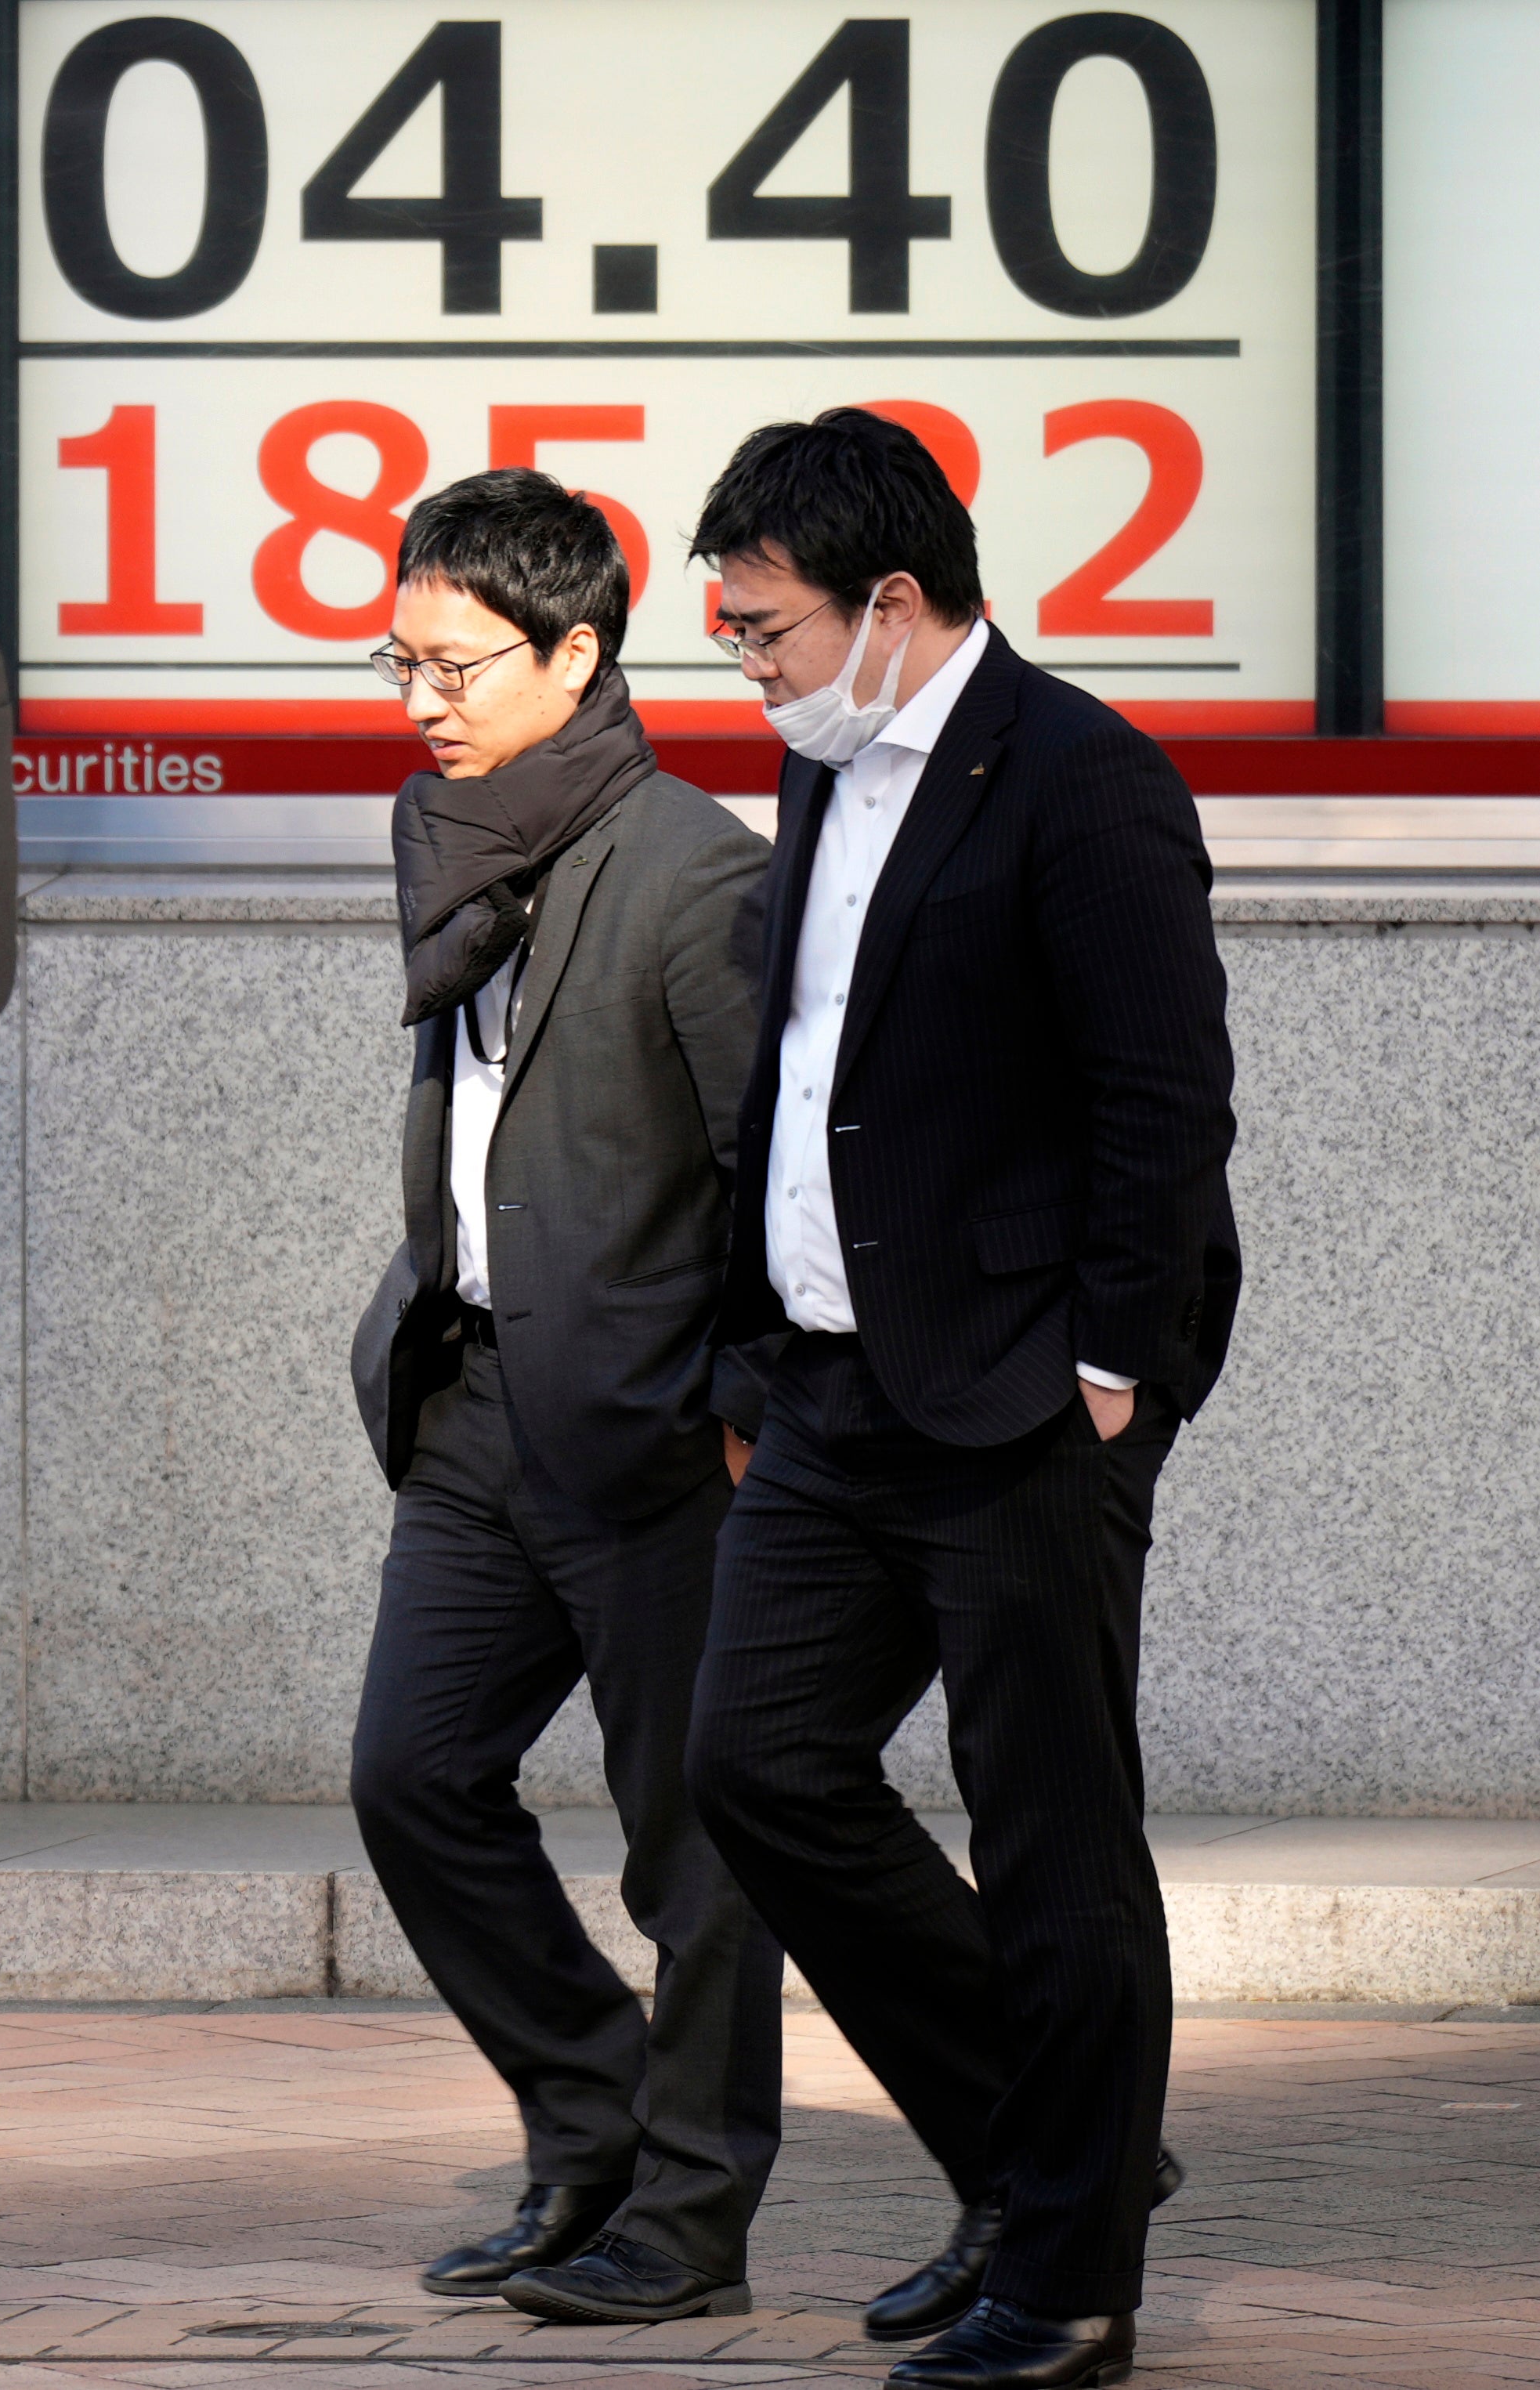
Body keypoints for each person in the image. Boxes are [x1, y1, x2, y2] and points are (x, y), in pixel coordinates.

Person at [679, 409, 1241, 2390]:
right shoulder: (828, 762)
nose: (747, 664)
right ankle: (1048, 2156)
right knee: (756, 1762)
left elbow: (1164, 1103)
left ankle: (1069, 2275)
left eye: (765, 628)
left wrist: (1109, 1373)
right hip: (832, 1393)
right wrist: (756, 1352)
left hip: (1022, 1401)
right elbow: (802, 1071)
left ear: (894, 603)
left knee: (1056, 1836)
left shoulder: (1085, 783)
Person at [343, 471, 783, 2326]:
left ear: (580, 651)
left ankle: (690, 2219)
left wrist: (750, 1404)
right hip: (471, 1399)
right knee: (413, 1776)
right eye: (401, 660)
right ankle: (590, 2116)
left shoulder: (696, 869)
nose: (425, 699)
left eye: (458, 664)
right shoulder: (452, 832)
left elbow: (777, 1165)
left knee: (696, 1842)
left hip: (655, 1422)